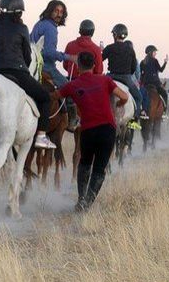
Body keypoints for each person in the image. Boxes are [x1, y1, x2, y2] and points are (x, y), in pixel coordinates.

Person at [55, 52, 129, 211]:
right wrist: (119, 104)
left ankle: (81, 198)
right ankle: (87, 202)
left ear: (78, 66)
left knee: (84, 164)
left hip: (88, 131)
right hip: (108, 130)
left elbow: (55, 96)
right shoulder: (105, 79)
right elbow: (124, 96)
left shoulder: (72, 85)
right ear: (94, 65)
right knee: (99, 169)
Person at [0, 0, 57, 149]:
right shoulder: (22, 28)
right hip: (17, 72)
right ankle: (41, 136)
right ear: (19, 12)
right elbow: (27, 57)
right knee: (44, 97)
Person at [29, 0, 78, 128]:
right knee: (69, 87)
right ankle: (72, 120)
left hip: (33, 64)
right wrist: (69, 57)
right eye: (56, 11)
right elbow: (49, 52)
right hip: (46, 66)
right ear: (50, 10)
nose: (59, 14)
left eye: (61, 12)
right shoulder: (50, 28)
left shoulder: (39, 24)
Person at [102, 23, 145, 127]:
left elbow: (100, 60)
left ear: (115, 35)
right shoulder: (130, 50)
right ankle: (134, 121)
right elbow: (133, 67)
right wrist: (127, 73)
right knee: (139, 97)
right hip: (126, 78)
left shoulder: (109, 48)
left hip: (110, 77)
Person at [139, 45, 168, 113]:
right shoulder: (155, 61)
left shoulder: (142, 62)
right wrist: (165, 62)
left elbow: (141, 74)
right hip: (155, 83)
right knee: (164, 94)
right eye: (154, 52)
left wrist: (142, 82)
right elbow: (161, 70)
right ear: (150, 52)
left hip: (146, 84)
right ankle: (164, 111)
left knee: (140, 96)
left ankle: (141, 111)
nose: (155, 53)